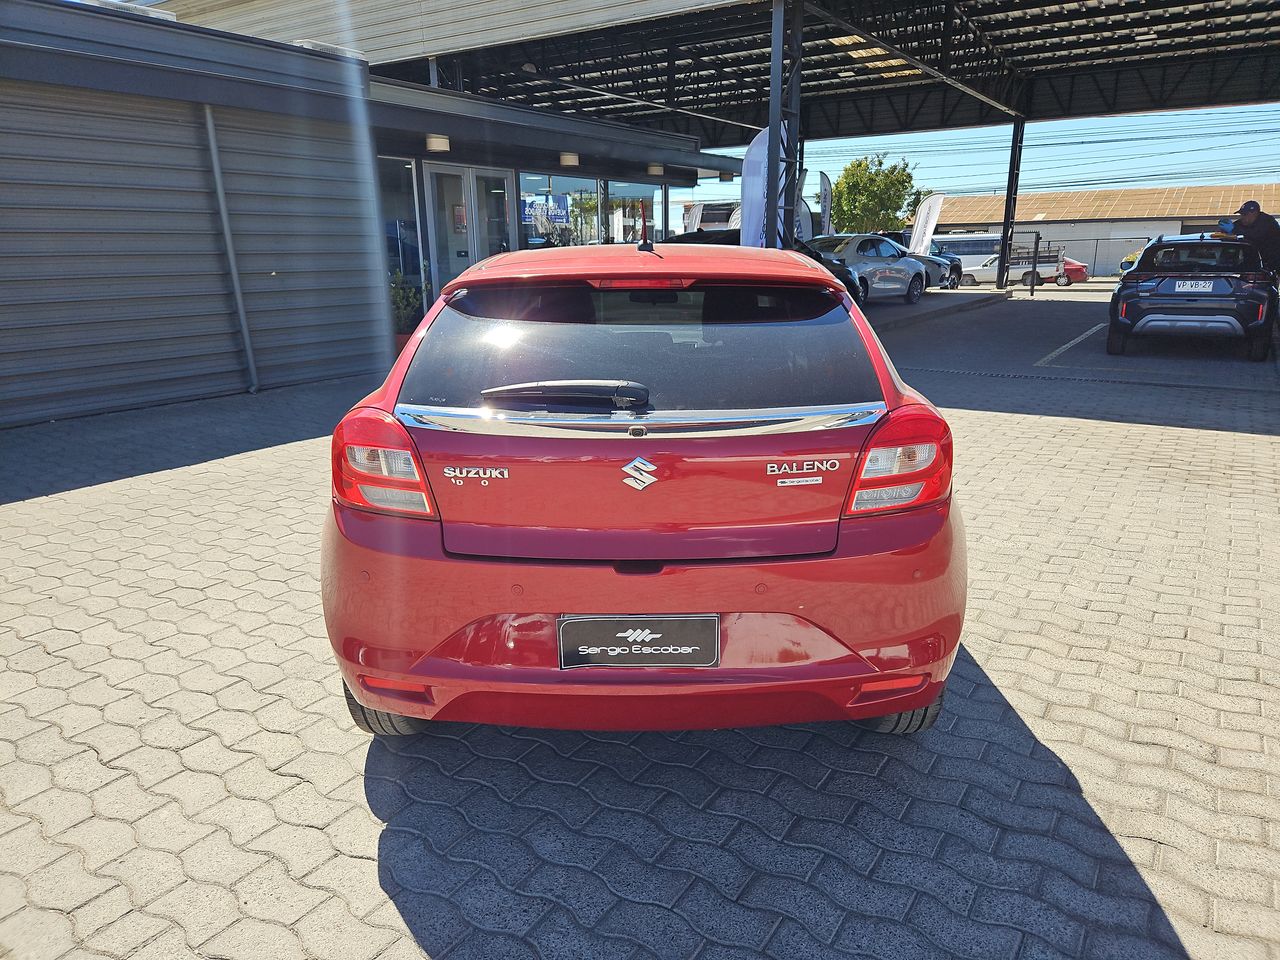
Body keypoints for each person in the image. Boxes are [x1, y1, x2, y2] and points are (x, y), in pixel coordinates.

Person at [1229, 200, 1280, 270]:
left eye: (1245, 214)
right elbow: (1238, 226)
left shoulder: (1267, 221)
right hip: (1251, 264)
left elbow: (1256, 235)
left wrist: (1233, 230)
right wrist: (1227, 226)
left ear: (1255, 213)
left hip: (1272, 264)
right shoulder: (1245, 222)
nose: (1242, 217)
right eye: (1241, 215)